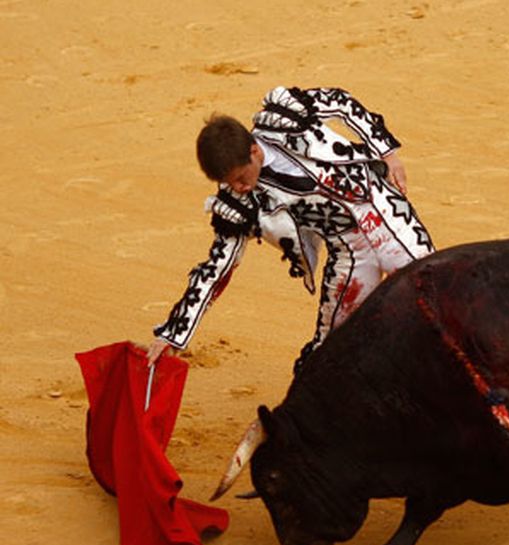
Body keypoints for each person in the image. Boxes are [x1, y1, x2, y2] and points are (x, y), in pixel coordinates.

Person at [147, 86, 435, 374]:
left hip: (385, 214)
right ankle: (295, 416)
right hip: (348, 247)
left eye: (240, 177)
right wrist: (171, 335)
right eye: (229, 183)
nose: (239, 188)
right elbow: (216, 269)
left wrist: (387, 152)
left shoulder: (287, 117)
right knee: (330, 346)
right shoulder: (238, 204)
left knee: (430, 301)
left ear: (254, 151)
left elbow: (341, 102)